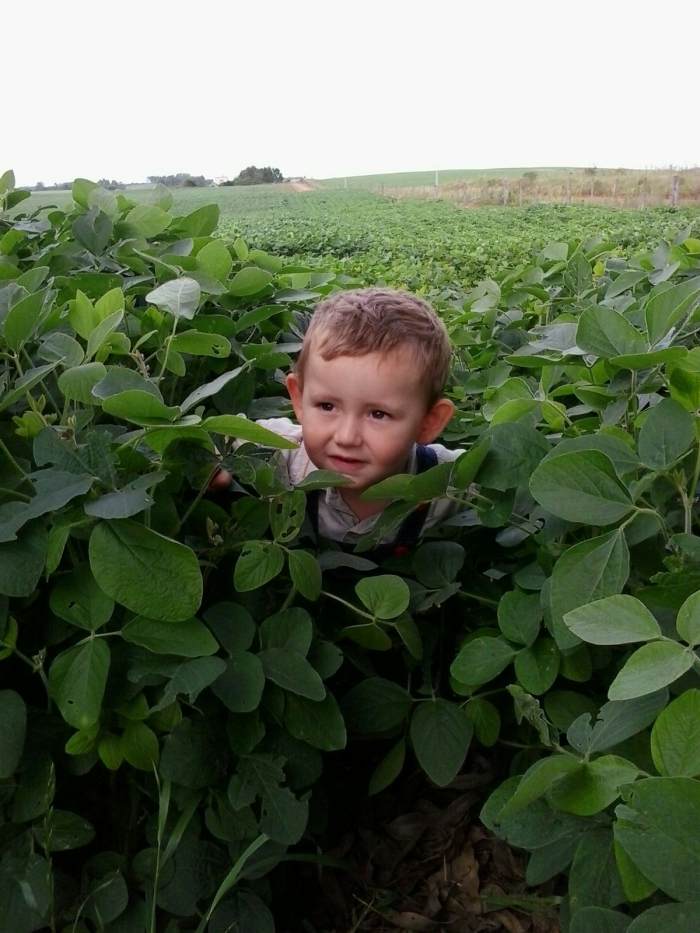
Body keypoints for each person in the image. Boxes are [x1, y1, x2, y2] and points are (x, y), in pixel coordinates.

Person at [211, 287, 464, 550]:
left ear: (428, 422)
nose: (346, 437)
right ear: (299, 399)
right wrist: (216, 458)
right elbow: (224, 436)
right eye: (327, 406)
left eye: (378, 414)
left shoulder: (451, 481)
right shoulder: (279, 452)